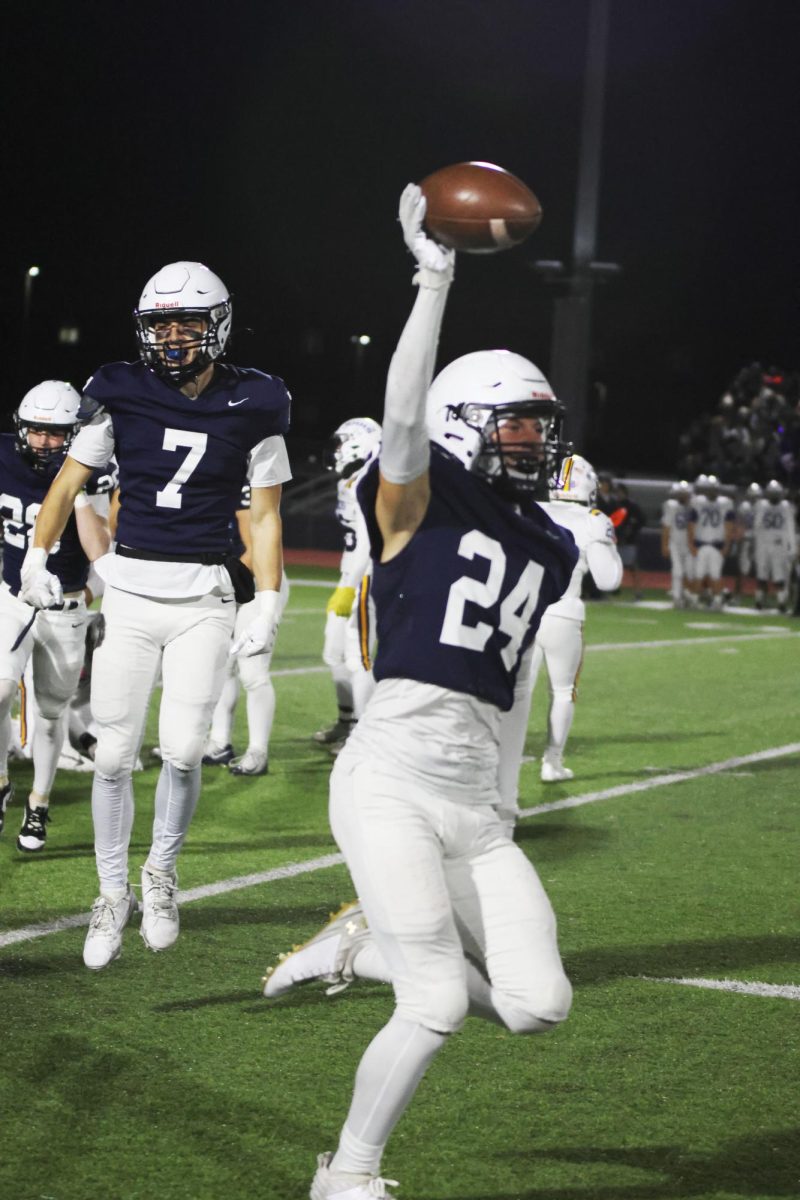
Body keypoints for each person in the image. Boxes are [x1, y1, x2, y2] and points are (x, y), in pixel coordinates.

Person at [262, 186, 577, 1200]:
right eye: (517, 429)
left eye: (540, 429)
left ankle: (368, 942)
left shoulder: (550, 541)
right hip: (389, 780)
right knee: (438, 1001)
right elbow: (402, 417)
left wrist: (505, 795)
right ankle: (346, 1174)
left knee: (536, 1005)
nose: (535, 444)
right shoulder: (414, 494)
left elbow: (511, 680)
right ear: (462, 428)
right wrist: (432, 276)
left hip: (472, 809)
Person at [20, 261, 291, 969]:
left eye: (187, 323)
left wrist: (267, 596)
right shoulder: (115, 391)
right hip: (133, 596)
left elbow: (264, 517)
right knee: (111, 753)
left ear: (218, 325)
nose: (172, 338)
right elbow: (71, 483)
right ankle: (112, 893)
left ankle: (161, 875)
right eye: (160, 325)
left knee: (181, 747)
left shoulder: (258, 401)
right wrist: (38, 554)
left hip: (204, 596)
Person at [0, 381, 113, 849]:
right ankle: (2, 785)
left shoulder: (97, 467)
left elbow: (102, 550)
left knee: (50, 714)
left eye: (55, 433)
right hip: (12, 596)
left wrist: (78, 489)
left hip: (66, 604)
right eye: (36, 432)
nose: (43, 442)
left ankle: (38, 804)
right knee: (1, 687)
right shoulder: (5, 457)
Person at [528, 454, 622, 782]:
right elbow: (608, 580)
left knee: (515, 691)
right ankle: (552, 763)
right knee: (564, 690)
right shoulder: (593, 518)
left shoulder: (532, 509)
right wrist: (610, 545)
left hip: (522, 609)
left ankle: (501, 759)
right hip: (563, 612)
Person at [202, 484, 290, 776]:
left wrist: (219, 585)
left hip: (255, 581)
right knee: (222, 667)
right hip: (225, 582)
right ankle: (219, 742)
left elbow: (254, 548)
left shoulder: (242, 481)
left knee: (253, 673)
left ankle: (258, 751)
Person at [313, 417, 382, 752]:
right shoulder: (351, 481)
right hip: (349, 575)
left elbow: (369, 541)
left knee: (360, 658)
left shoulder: (372, 481)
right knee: (334, 652)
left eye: (342, 443)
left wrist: (348, 587)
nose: (337, 451)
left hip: (367, 578)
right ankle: (347, 720)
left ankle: (364, 734)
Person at [689, 473, 735, 608]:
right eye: (709, 489)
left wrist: (727, 545)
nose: (711, 492)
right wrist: (691, 543)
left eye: (714, 489)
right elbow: (691, 524)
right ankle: (694, 599)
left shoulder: (726, 503)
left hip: (717, 544)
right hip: (701, 543)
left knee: (715, 575)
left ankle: (717, 600)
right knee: (698, 574)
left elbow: (729, 526)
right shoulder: (697, 502)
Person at [752, 479, 797, 611]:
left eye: (775, 493)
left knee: (779, 575)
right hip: (763, 543)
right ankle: (759, 601)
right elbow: (757, 526)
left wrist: (792, 547)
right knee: (761, 574)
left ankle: (781, 603)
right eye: (772, 493)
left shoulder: (786, 506)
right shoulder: (762, 505)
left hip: (778, 544)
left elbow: (790, 528)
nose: (773, 496)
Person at [661, 480, 696, 608]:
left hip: (689, 543)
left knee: (691, 572)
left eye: (685, 493)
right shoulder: (671, 506)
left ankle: (687, 594)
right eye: (681, 493)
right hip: (675, 542)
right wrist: (664, 545)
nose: (683, 496)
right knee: (678, 571)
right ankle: (676, 597)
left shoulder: (693, 506)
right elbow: (666, 527)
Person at [609, 481, 645, 599]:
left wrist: (631, 530)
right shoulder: (613, 504)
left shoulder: (631, 505)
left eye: (618, 492)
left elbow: (641, 520)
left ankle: (638, 590)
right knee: (614, 565)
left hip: (628, 540)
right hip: (615, 539)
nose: (617, 494)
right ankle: (614, 588)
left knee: (633, 566)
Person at [734, 481, 761, 600]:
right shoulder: (744, 506)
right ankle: (738, 593)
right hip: (746, 539)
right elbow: (740, 523)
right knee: (742, 569)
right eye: (753, 496)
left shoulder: (763, 506)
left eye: (756, 496)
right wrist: (740, 539)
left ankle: (760, 596)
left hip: (760, 540)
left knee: (763, 569)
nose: (754, 498)